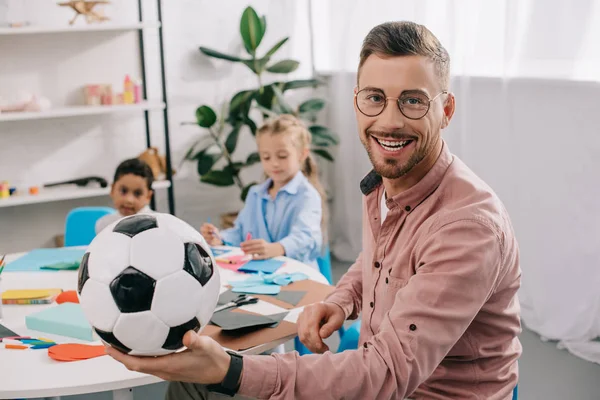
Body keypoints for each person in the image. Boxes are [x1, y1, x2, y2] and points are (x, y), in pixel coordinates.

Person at [106, 21, 522, 400]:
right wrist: (341, 302)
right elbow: (378, 260)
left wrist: (231, 371)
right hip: (380, 383)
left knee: (205, 384)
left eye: (412, 101)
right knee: (191, 384)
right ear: (357, 102)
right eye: (375, 98)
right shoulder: (389, 183)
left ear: (445, 110)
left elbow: (385, 374)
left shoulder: (468, 227)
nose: (390, 120)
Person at [199, 114, 326, 270]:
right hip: (261, 275)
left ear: (302, 154)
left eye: (282, 156)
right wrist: (220, 238)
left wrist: (278, 248)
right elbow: (240, 232)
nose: (274, 163)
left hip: (296, 274)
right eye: (266, 157)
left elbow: (308, 238)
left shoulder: (307, 196)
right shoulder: (255, 194)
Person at [95, 158, 154, 233]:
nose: (129, 200)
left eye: (137, 193)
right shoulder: (103, 225)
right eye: (123, 191)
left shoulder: (158, 226)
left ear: (148, 196)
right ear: (112, 189)